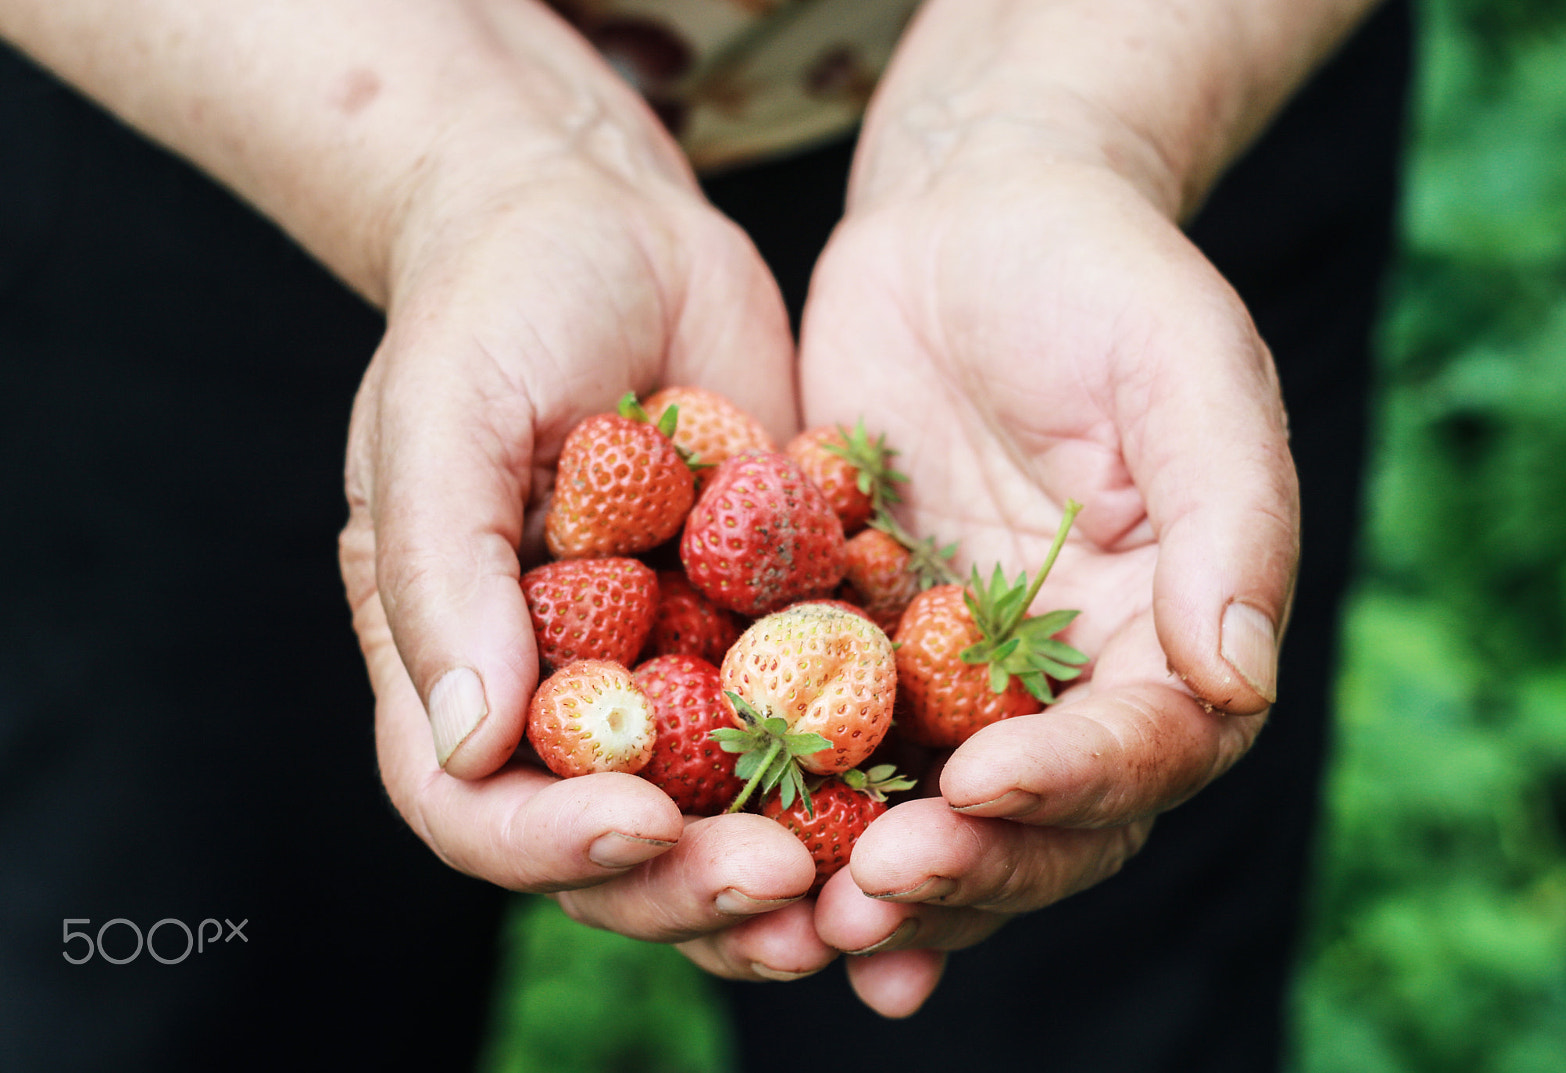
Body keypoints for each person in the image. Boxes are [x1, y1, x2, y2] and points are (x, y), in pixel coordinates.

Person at [0, 0, 1412, 1069]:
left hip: (1118, 81)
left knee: (1067, 1008)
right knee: (187, 961)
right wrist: (467, 153)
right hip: (252, 96)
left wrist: (1060, 117)